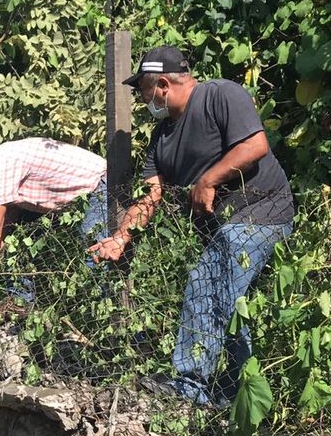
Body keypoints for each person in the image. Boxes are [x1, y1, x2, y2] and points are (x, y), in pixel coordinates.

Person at [89, 45, 295, 406]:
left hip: (262, 211)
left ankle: (189, 388)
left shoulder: (219, 94)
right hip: (223, 230)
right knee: (229, 308)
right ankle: (236, 398)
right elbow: (150, 196)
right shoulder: (162, 138)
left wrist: (208, 180)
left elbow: (255, 145)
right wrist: (120, 237)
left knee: (206, 283)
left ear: (163, 85)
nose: (143, 101)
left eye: (143, 92)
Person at [0, 136, 108, 302]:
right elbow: (5, 225)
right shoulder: (3, 160)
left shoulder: (1, 162)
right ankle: (19, 302)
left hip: (98, 184)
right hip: (82, 193)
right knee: (15, 243)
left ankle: (106, 311)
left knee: (97, 253)